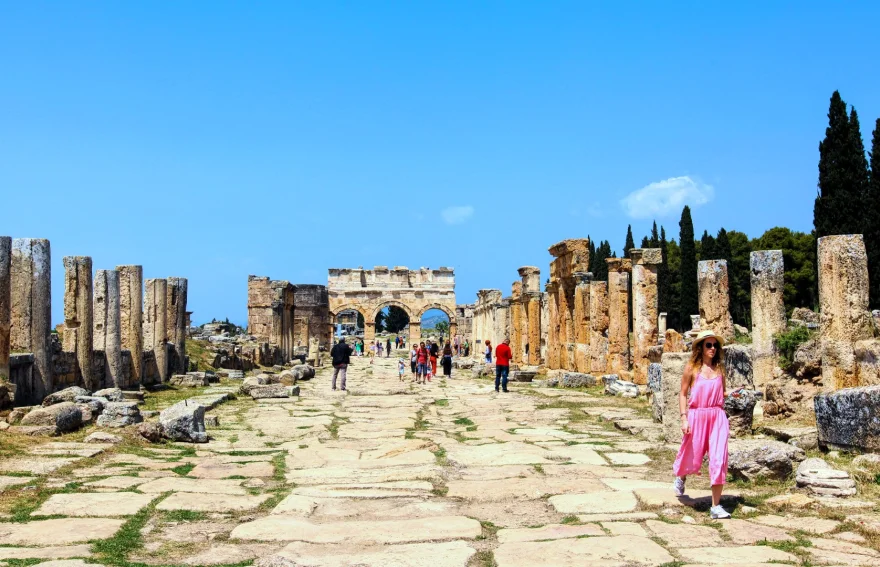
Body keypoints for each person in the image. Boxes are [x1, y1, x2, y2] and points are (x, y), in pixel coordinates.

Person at [672, 329, 733, 520]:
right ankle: (681, 477)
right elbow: (683, 394)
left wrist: (732, 394)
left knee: (719, 459)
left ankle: (716, 506)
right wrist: (684, 418)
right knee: (692, 454)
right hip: (697, 415)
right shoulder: (691, 369)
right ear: (701, 347)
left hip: (717, 416)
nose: (713, 348)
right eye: (709, 345)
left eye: (715, 345)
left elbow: (721, 393)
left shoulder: (720, 370)